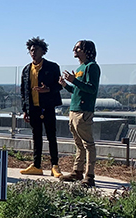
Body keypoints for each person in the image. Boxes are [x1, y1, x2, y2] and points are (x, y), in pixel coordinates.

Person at [19, 37, 63, 178]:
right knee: (36, 137)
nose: (33, 52)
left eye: (36, 50)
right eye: (31, 50)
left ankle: (54, 166)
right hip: (33, 109)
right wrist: (25, 110)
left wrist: (48, 89)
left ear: (43, 51)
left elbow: (59, 85)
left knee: (51, 137)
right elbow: (23, 91)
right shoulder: (26, 69)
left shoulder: (53, 67)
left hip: (48, 107)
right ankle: (36, 165)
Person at [59, 40, 101, 187]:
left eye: (77, 48)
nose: (74, 50)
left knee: (88, 144)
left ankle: (89, 175)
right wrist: (66, 85)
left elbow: (91, 89)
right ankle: (77, 171)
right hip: (74, 110)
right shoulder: (80, 68)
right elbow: (77, 90)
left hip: (84, 112)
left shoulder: (92, 67)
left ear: (86, 50)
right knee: (78, 144)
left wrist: (75, 80)